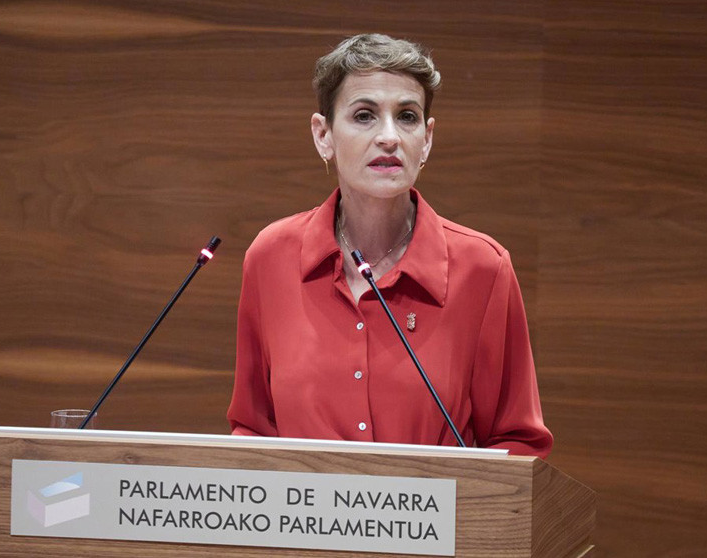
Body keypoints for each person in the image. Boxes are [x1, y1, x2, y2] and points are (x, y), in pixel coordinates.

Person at [227, 34, 552, 457]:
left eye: (407, 117)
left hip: (433, 524)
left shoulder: (483, 269)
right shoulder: (271, 257)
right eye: (364, 116)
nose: (389, 137)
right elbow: (253, 430)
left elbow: (519, 443)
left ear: (427, 140)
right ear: (323, 135)